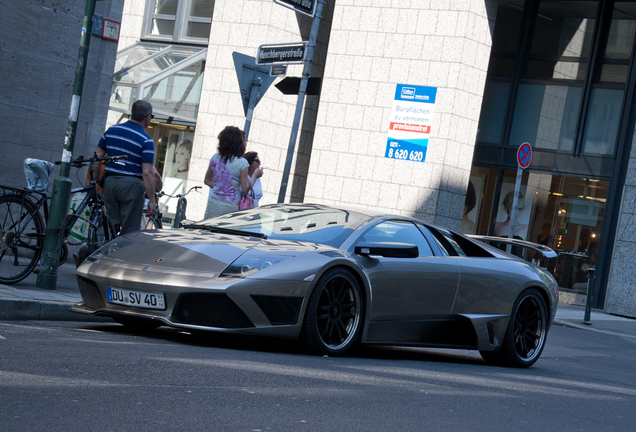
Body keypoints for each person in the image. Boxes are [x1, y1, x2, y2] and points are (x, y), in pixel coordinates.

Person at [95, 100, 156, 235]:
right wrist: (151, 200)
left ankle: (94, 250)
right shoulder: (146, 140)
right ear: (147, 117)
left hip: (110, 183)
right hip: (131, 186)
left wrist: (95, 181)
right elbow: (147, 173)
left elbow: (97, 156)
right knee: (130, 230)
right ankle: (123, 255)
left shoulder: (112, 130)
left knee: (107, 225)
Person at [203, 126, 250, 218]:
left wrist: (220, 186)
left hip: (213, 203)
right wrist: (254, 177)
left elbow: (207, 180)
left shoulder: (215, 158)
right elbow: (245, 189)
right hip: (230, 206)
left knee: (208, 230)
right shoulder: (242, 162)